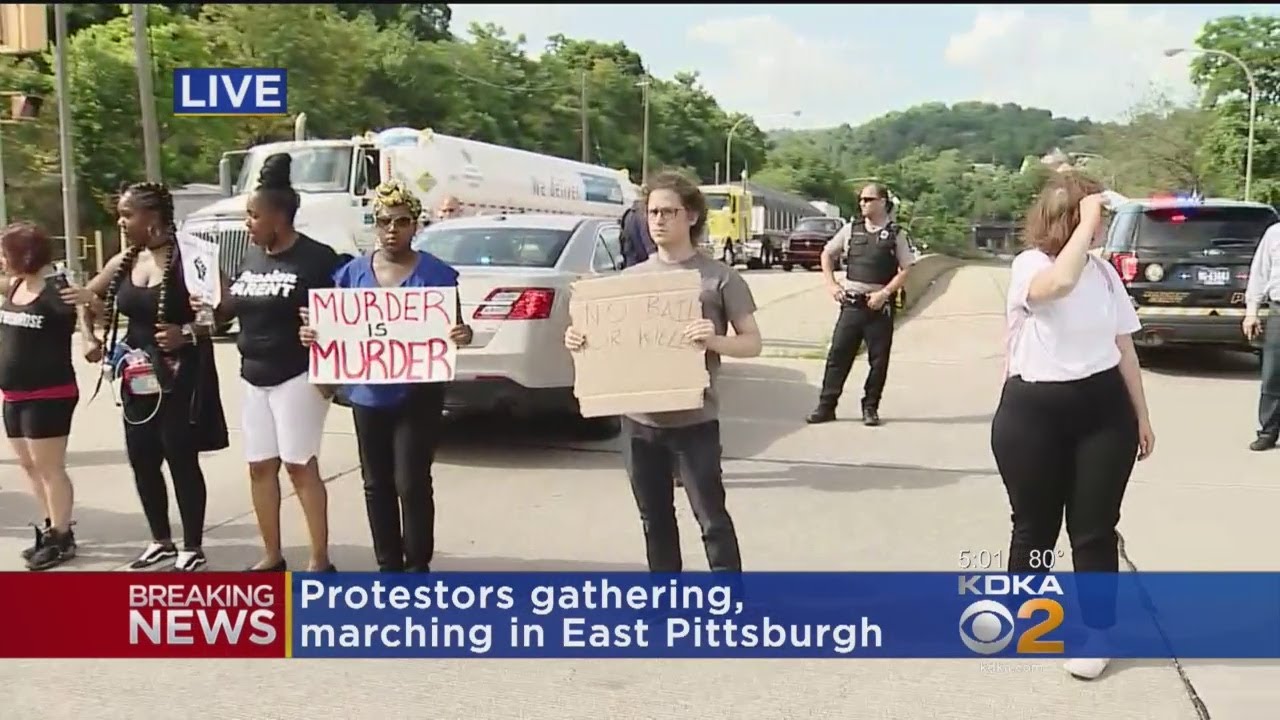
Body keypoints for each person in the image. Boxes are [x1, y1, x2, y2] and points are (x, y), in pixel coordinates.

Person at [991, 173, 1155, 681]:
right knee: (1034, 526)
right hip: (1032, 412)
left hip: (1103, 412)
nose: (1102, 225)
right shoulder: (1031, 266)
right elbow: (1057, 286)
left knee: (1093, 530)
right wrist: (1087, 221)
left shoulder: (1105, 275)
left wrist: (1142, 417)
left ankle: (1098, 633)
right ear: (1071, 218)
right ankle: (1027, 620)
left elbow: (1123, 346)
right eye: (1094, 216)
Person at [564, 171, 763, 573]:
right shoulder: (629, 282)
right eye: (652, 212)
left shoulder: (719, 277)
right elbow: (609, 346)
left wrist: (715, 340)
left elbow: (752, 342)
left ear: (690, 216)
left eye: (668, 211)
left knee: (711, 520)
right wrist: (580, 341)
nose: (658, 220)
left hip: (695, 420)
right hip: (640, 421)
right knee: (654, 520)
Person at [301, 180, 473, 572]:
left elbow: (456, 326)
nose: (392, 229)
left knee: (411, 482)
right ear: (374, 225)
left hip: (419, 392)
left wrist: (462, 334)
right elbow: (333, 328)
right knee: (375, 484)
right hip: (368, 395)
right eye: (383, 222)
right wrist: (313, 334)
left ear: (416, 225)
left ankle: (417, 565)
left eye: (401, 221)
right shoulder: (350, 274)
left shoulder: (437, 275)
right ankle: (388, 566)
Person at [77, 181, 230, 572]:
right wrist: (90, 336)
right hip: (136, 374)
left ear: (154, 217)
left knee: (180, 457)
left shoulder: (191, 257)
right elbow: (86, 298)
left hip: (181, 373)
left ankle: (191, 547)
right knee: (142, 457)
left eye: (128, 214)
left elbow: (226, 307)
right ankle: (160, 540)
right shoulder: (125, 261)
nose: (121, 221)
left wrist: (190, 331)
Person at [209, 153, 344, 572]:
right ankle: (271, 554)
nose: (247, 223)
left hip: (297, 376)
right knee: (259, 467)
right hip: (253, 376)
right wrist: (207, 302)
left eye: (253, 215)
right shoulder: (249, 259)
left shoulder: (319, 260)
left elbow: (343, 317)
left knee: (299, 466)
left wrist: (323, 335)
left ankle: (319, 559)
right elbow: (226, 309)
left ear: (279, 217)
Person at [1, 222, 82, 570]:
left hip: (48, 392)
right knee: (29, 466)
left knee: (50, 468)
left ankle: (62, 537)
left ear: (25, 255)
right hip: (13, 394)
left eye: (5, 254)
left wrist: (90, 319)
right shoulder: (16, 285)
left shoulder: (55, 291)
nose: (2, 261)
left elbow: (82, 316)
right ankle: (50, 526)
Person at [806, 183, 915, 426]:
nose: (863, 203)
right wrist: (832, 284)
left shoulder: (896, 234)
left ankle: (870, 407)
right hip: (852, 304)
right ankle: (826, 407)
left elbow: (907, 268)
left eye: (868, 199)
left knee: (878, 361)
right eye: (861, 199)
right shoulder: (850, 230)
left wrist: (886, 293)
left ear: (883, 202)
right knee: (838, 356)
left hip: (879, 306)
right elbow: (827, 254)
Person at [1242, 220, 1280, 450]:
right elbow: (1259, 273)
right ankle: (1268, 431)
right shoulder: (1275, 234)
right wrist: (1251, 312)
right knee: (1274, 373)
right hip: (1279, 310)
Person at [619, 197, 656, 269]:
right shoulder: (642, 215)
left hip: (631, 268)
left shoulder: (630, 214)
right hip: (644, 271)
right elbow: (652, 254)